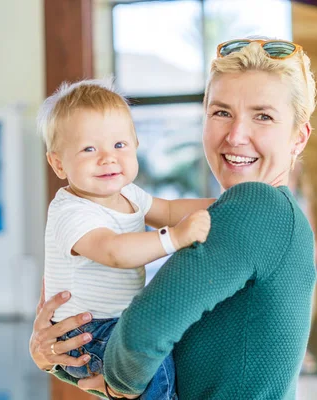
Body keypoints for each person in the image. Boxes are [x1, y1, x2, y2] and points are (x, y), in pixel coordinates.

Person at [30, 37, 317, 399]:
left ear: (298, 137)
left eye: (263, 116)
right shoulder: (276, 213)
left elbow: (141, 331)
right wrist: (58, 356)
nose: (235, 135)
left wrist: (103, 377)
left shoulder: (255, 204)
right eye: (221, 112)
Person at [36, 79, 213, 399]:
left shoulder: (128, 194)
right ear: (58, 163)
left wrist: (226, 206)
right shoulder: (71, 211)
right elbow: (113, 251)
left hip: (117, 324)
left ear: (135, 147)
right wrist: (173, 238)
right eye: (89, 149)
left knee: (158, 351)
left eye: (119, 145)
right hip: (87, 332)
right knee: (151, 361)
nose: (107, 158)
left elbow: (171, 209)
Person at [288, 162, 317, 374]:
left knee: (309, 305)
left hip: (308, 253)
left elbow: (311, 221)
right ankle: (294, 351)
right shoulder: (277, 188)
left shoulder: (304, 190)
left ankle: (303, 350)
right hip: (289, 256)